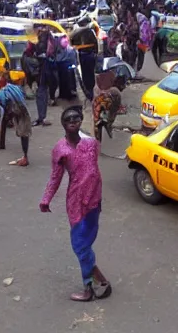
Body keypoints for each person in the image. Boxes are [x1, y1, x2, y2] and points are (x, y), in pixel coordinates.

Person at [40, 106, 111, 302]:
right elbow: (56, 177)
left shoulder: (91, 143)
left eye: (77, 118)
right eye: (69, 119)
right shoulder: (60, 149)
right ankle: (100, 281)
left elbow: (95, 173)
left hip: (93, 201)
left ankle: (89, 289)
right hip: (75, 202)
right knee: (81, 245)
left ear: (80, 122)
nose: (73, 121)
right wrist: (46, 199)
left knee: (82, 245)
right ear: (63, 124)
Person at [0, 72, 32, 167]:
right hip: (24, 112)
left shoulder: (3, 92)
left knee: (23, 135)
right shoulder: (15, 88)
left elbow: (1, 104)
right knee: (24, 135)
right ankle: (25, 156)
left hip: (18, 114)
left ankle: (25, 158)